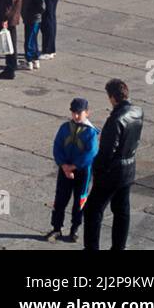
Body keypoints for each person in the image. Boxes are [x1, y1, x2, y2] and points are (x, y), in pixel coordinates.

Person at [83, 79, 143, 251]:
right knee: (122, 210)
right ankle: (119, 247)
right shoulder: (138, 111)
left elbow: (107, 151)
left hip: (112, 173)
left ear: (112, 97)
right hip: (129, 168)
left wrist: (97, 169)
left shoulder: (115, 119)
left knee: (93, 210)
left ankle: (91, 248)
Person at [48, 97, 99, 243]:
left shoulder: (91, 133)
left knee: (80, 200)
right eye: (74, 113)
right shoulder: (65, 128)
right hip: (65, 169)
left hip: (82, 171)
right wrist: (63, 165)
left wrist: (74, 166)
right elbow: (57, 147)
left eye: (79, 113)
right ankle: (56, 227)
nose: (76, 116)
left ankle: (74, 229)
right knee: (60, 199)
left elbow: (91, 153)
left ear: (87, 113)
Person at [21, 0, 45, 70]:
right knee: (33, 39)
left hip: (33, 18)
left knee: (29, 39)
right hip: (29, 18)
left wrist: (35, 12)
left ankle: (29, 60)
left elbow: (42, 6)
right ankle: (35, 59)